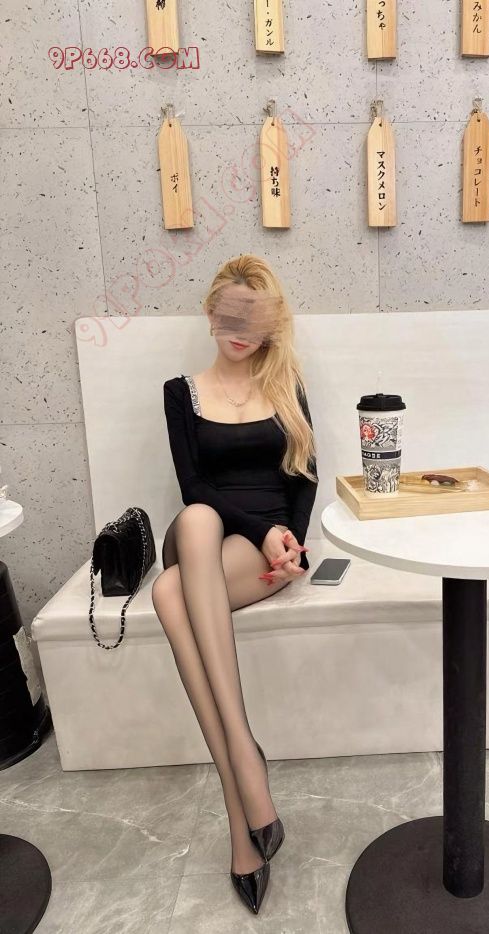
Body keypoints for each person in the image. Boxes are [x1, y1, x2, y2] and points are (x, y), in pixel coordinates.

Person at [151, 254, 318, 915]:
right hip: (208, 536)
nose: (240, 332)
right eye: (229, 317)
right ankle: (248, 758)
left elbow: (303, 477)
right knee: (196, 517)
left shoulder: (287, 385)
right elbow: (194, 486)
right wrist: (261, 527)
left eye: (254, 319)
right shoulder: (181, 392)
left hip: (260, 552)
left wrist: (289, 540)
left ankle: (235, 805)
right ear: (210, 315)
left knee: (167, 595)